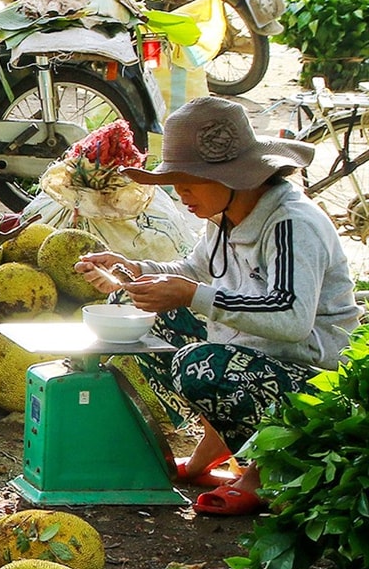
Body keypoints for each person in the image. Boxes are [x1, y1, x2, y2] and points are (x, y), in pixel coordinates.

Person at [74, 98, 361, 517]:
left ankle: (265, 475)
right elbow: (194, 269)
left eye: (190, 180)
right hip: (258, 358)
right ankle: (208, 456)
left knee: (200, 365)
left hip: (315, 389)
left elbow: (292, 319)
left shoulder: (292, 225)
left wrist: (191, 294)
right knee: (136, 301)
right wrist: (133, 268)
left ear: (235, 177)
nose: (180, 193)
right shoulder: (225, 215)